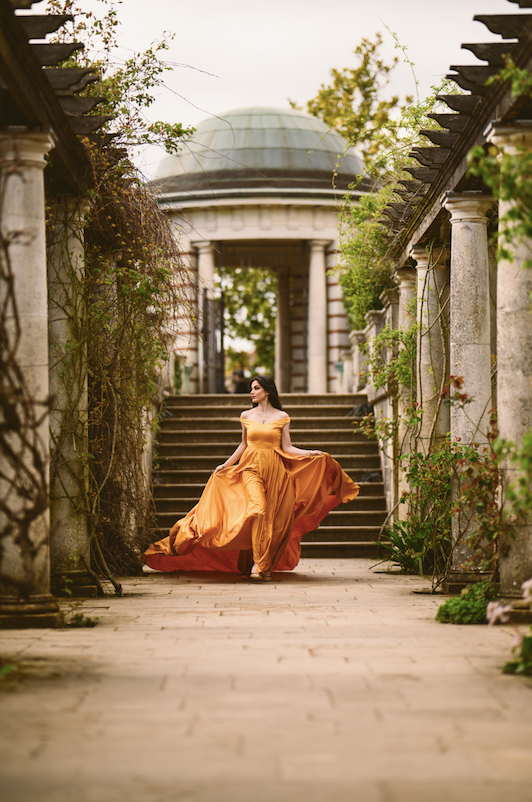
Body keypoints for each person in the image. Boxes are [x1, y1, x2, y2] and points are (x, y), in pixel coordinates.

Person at [143, 375, 359, 580]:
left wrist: (310, 453)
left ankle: (263, 566)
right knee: (258, 509)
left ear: (267, 391)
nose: (252, 393)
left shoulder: (282, 417)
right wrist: (226, 465)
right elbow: (244, 445)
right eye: (251, 389)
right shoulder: (246, 416)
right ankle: (258, 562)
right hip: (250, 468)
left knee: (276, 521)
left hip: (276, 472)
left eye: (256, 388)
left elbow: (287, 447)